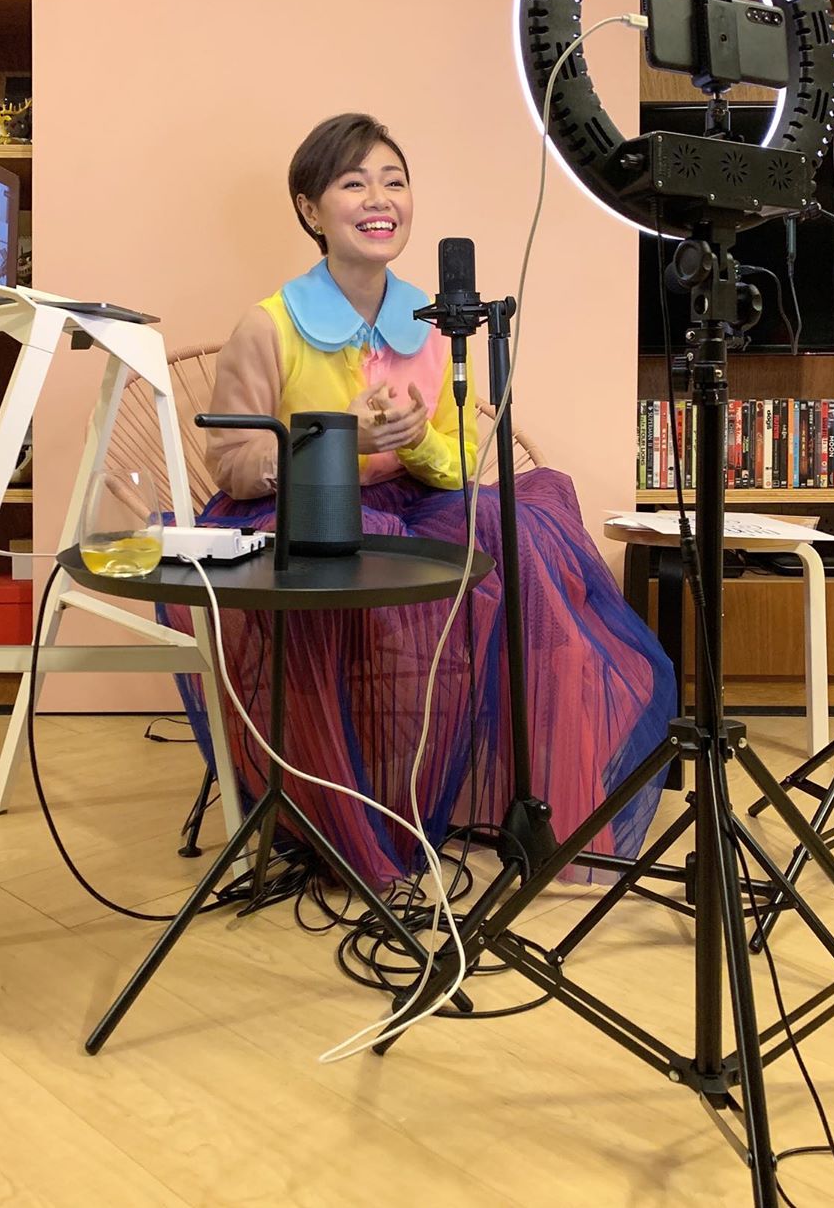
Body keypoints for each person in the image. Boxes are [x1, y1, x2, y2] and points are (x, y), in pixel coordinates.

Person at [163, 113, 675, 888]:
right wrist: (342, 440)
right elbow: (233, 463)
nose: (380, 199)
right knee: (351, 546)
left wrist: (412, 442)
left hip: (415, 501)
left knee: (522, 521)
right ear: (310, 209)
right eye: (354, 183)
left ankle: (534, 802)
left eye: (394, 182)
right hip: (305, 510)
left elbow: (461, 459)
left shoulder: (436, 323)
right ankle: (344, 814)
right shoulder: (268, 326)